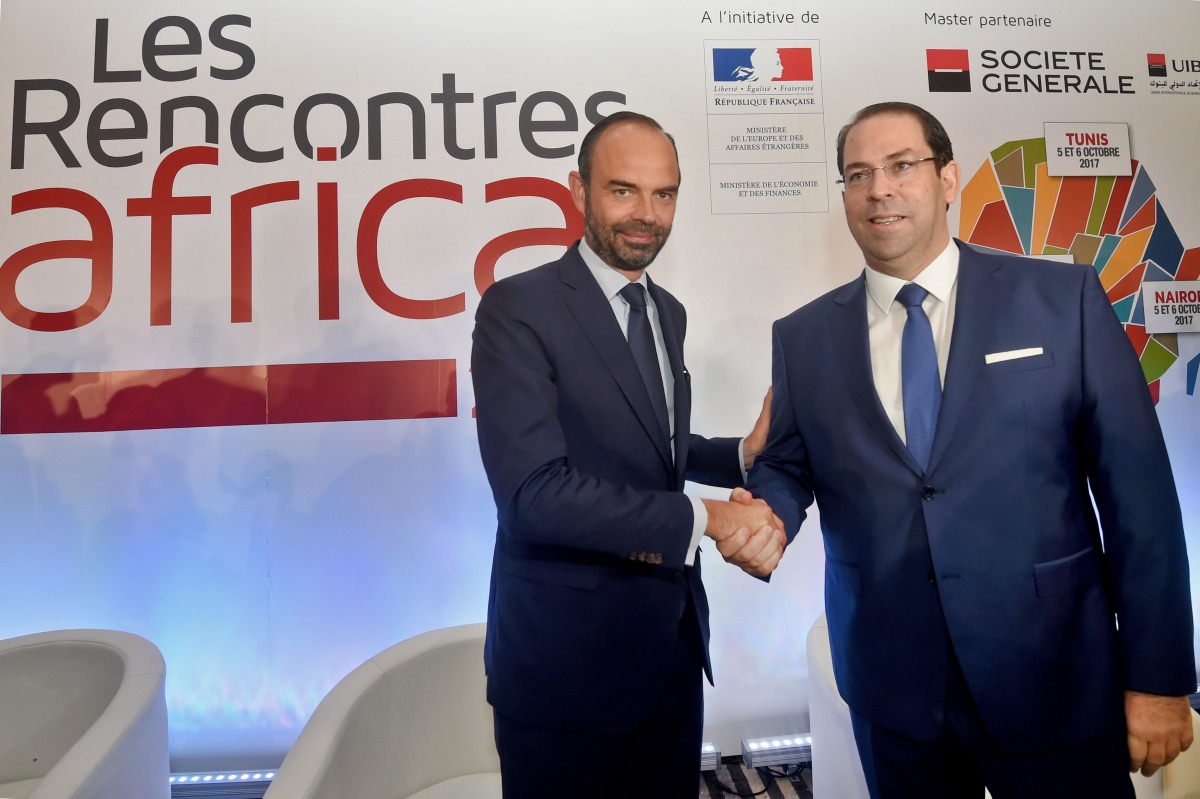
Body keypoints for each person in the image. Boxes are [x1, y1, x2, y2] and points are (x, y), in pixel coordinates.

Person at [746, 101, 1195, 798]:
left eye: (902, 166)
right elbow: (787, 461)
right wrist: (767, 515)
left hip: (1054, 674)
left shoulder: (1062, 298)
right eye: (858, 174)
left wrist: (1160, 678)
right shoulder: (803, 337)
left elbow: (1141, 498)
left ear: (949, 178)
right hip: (893, 686)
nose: (879, 189)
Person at [471, 111, 785, 799]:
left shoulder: (665, 309)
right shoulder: (517, 308)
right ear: (578, 189)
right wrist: (708, 518)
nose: (647, 215)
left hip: (669, 651)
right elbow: (533, 494)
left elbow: (645, 447)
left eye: (664, 194)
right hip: (565, 674)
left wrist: (739, 453)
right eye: (624, 191)